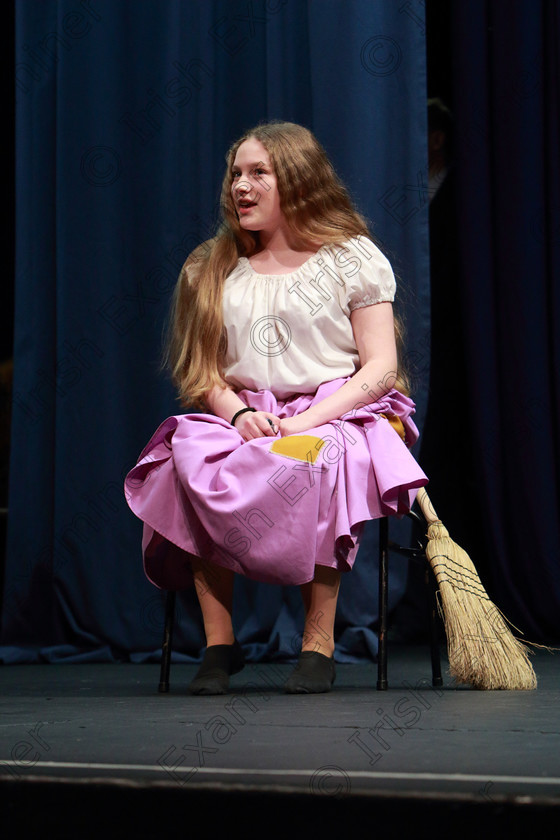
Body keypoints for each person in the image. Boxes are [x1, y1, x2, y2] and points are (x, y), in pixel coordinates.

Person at [124, 120, 427, 695]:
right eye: (236, 173)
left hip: (335, 409)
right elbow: (202, 373)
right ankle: (220, 645)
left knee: (321, 460)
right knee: (188, 456)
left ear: (298, 180)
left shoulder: (351, 258)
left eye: (258, 172)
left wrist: (308, 418)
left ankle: (318, 645)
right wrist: (238, 416)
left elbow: (381, 367)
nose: (241, 185)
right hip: (239, 413)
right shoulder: (210, 266)